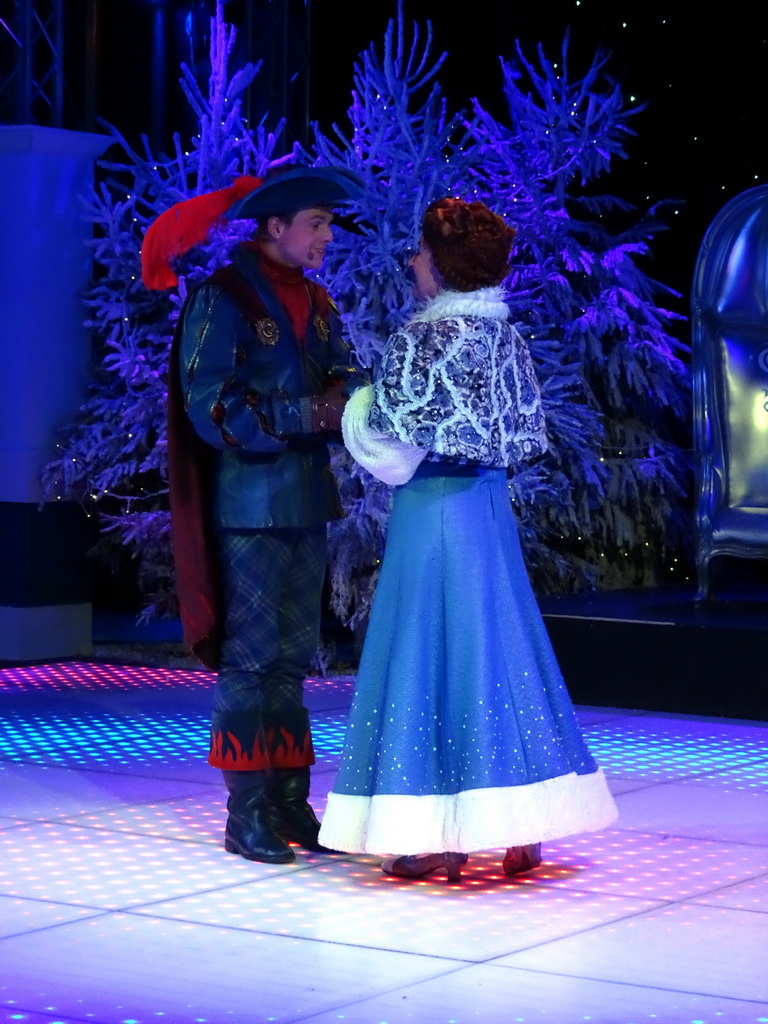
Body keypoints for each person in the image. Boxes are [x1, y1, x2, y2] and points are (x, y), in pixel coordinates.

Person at [318, 197, 618, 882]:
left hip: (431, 510)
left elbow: (389, 444)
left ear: (443, 266)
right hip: (486, 510)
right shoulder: (504, 337)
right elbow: (518, 433)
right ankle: (521, 826)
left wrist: (358, 407)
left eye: (420, 251)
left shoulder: (421, 339)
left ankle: (440, 832)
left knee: (430, 654)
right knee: (498, 649)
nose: (412, 262)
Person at [142, 166, 367, 864]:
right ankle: (247, 814)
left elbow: (348, 373)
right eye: (317, 223)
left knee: (293, 660)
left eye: (328, 223)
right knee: (251, 660)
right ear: (276, 227)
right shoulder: (225, 298)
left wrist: (344, 396)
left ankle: (289, 802)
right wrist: (310, 412)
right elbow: (212, 407)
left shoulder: (318, 301)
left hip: (303, 502)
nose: (328, 235)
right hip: (249, 507)